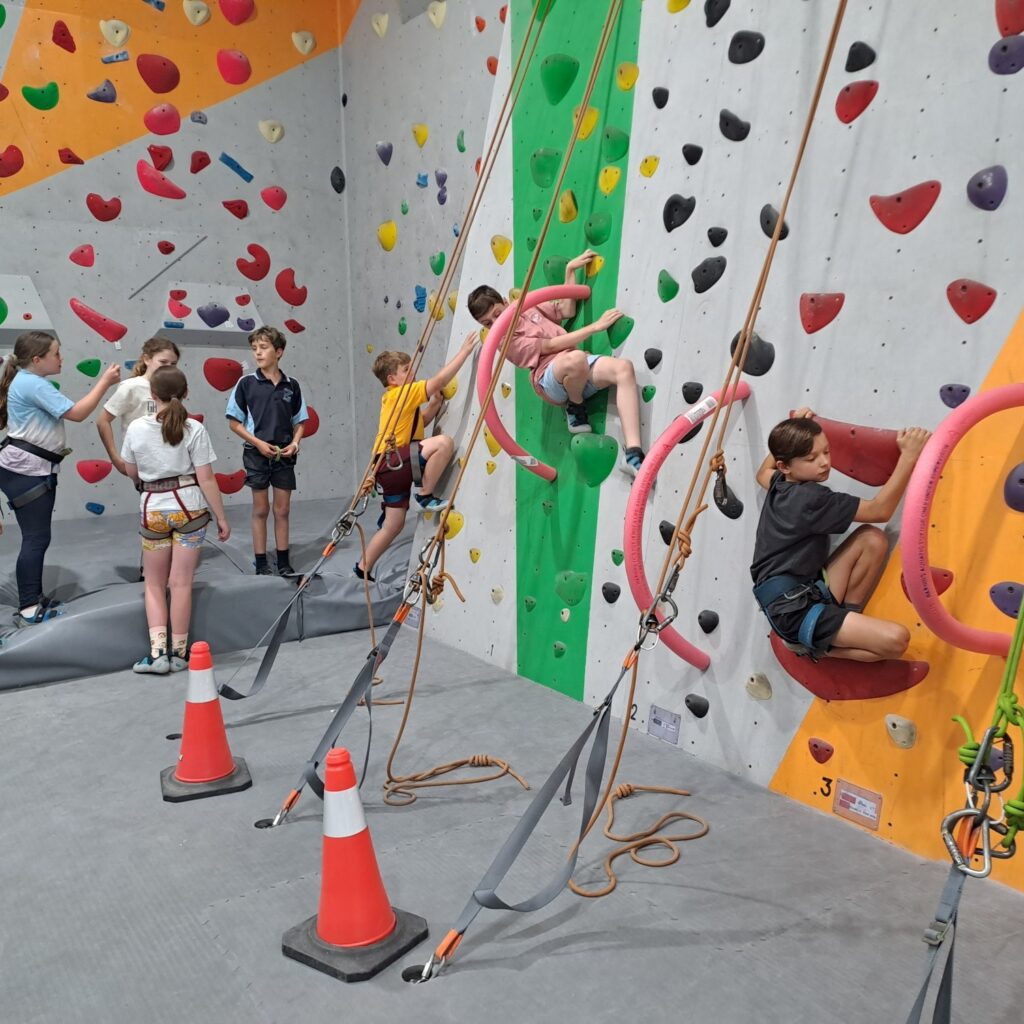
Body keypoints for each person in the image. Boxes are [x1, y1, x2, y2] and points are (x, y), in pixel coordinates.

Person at [750, 408, 931, 662]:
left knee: (871, 539)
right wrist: (909, 457)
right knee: (896, 641)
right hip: (792, 612)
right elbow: (880, 510)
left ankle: (844, 618)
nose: (824, 462)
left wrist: (794, 427)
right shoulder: (810, 498)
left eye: (826, 451)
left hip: (801, 593)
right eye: (811, 458)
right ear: (785, 465)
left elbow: (762, 474)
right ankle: (811, 647)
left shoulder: (780, 483)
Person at [466, 248, 646, 477]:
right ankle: (575, 404)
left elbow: (566, 308)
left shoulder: (527, 306)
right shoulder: (504, 342)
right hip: (549, 380)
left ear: (504, 302)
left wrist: (570, 271)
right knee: (575, 359)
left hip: (576, 365)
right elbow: (550, 347)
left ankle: (632, 453)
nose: (497, 323)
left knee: (623, 368)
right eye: (488, 323)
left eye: (498, 314)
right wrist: (594, 327)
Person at [0, 331, 121, 625]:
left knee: (38, 537)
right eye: (56, 353)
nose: (61, 358)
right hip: (25, 469)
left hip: (28, 467)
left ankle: (34, 597)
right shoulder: (32, 384)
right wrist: (104, 382)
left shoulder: (30, 382)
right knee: (36, 538)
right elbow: (77, 413)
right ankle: (29, 606)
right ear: (37, 359)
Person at [121, 366, 230, 674]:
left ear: (152, 395)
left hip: (153, 507)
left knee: (155, 584)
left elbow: (131, 471)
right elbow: (207, 478)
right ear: (186, 393)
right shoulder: (194, 429)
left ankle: (157, 655)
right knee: (181, 583)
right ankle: (181, 654)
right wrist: (221, 517)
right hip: (190, 507)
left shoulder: (136, 429)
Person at [355, 334, 478, 582]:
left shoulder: (394, 400)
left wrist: (433, 406)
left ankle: (362, 567)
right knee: (443, 443)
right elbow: (439, 380)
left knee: (393, 525)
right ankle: (424, 494)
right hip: (395, 462)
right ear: (392, 379)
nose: (412, 372)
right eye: (406, 369)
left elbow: (417, 425)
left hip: (389, 466)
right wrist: (464, 352)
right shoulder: (401, 393)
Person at [225, 326, 308, 576]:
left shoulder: (291, 385)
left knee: (282, 510)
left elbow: (300, 420)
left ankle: (283, 561)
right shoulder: (246, 383)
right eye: (254, 349)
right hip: (256, 453)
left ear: (279, 352)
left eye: (264, 348)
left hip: (285, 455)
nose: (258, 353)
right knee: (260, 509)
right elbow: (234, 422)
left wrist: (295, 443)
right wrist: (259, 443)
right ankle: (261, 561)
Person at [96, 336, 181, 475]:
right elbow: (103, 420)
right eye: (163, 362)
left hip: (169, 460)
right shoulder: (132, 386)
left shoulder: (174, 388)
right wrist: (116, 458)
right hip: (142, 461)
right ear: (147, 359)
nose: (168, 368)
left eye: (173, 364)